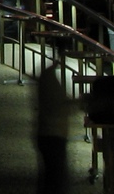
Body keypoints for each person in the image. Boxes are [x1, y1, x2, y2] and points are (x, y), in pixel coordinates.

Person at [35, 61, 76, 193]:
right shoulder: (49, 79)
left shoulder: (46, 76)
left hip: (48, 133)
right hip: (54, 133)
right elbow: (57, 106)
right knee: (55, 179)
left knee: (51, 178)